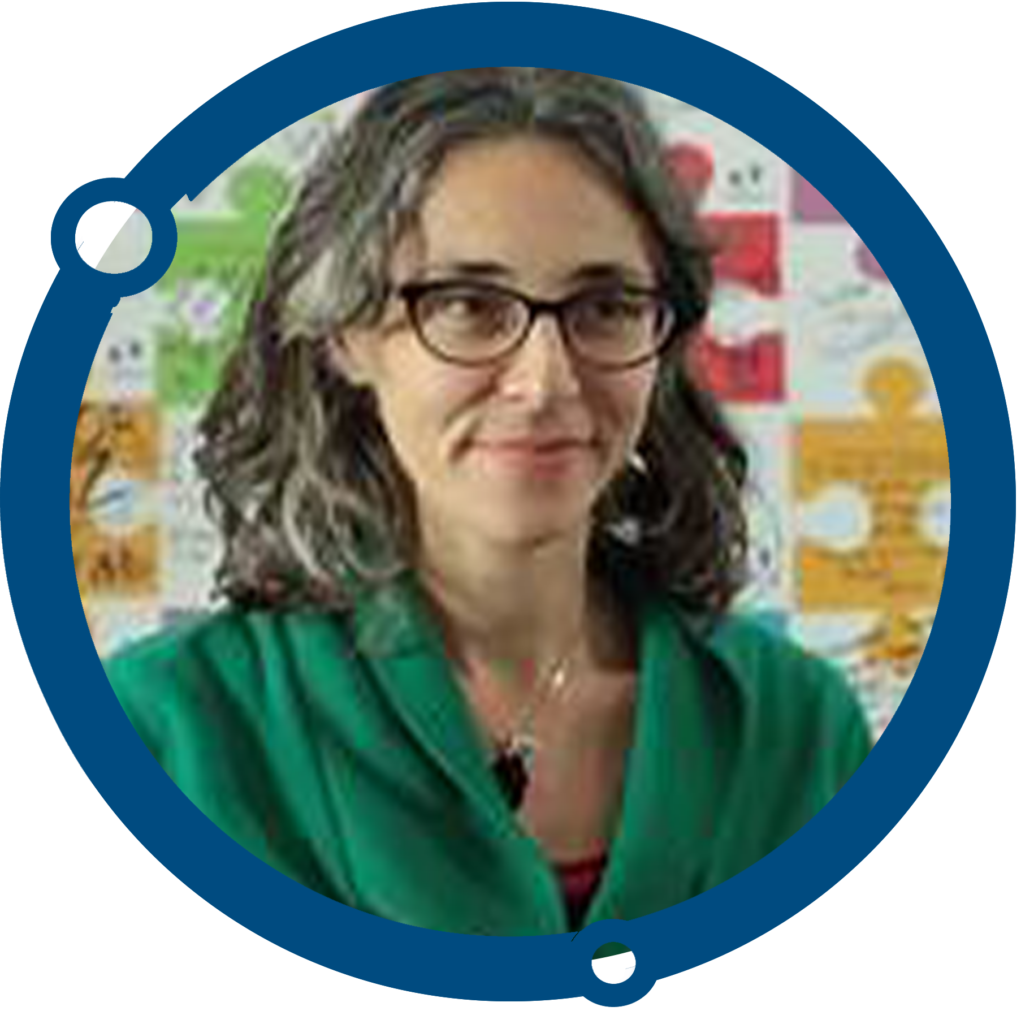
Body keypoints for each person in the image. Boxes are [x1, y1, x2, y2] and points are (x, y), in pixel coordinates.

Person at [103, 67, 873, 940]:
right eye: (467, 304)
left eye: (605, 306)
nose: (544, 382)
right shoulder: (164, 731)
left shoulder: (800, 726)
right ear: (347, 337)